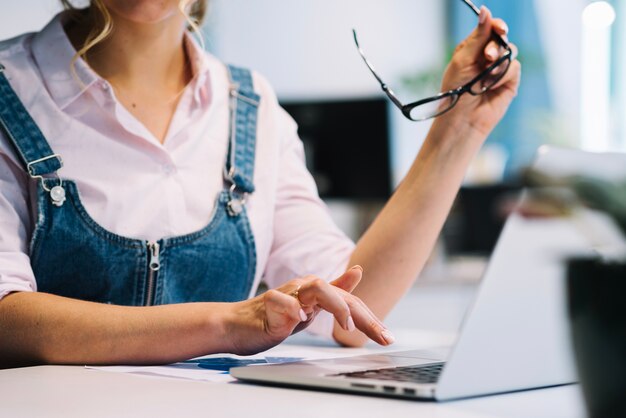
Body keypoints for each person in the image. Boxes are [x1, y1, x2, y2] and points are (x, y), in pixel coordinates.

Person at [0, 0, 520, 368]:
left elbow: (354, 311)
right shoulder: (10, 89)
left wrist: (459, 129)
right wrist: (228, 324)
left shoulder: (250, 105)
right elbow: (7, 320)